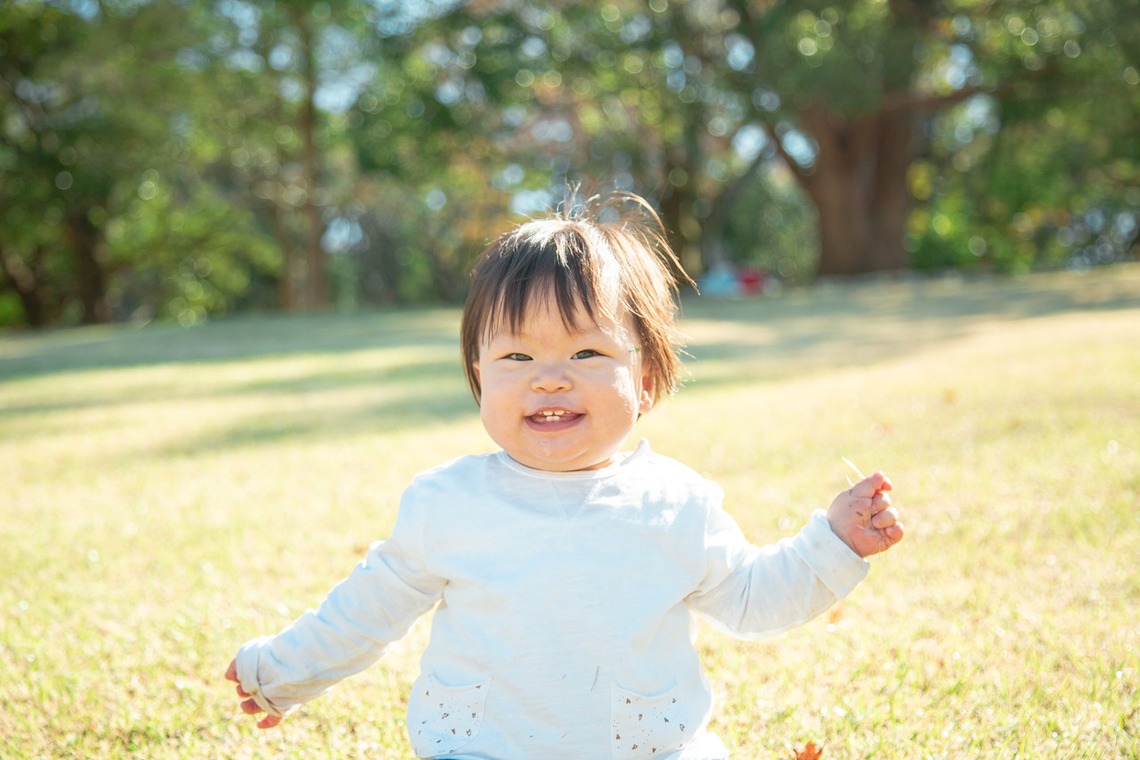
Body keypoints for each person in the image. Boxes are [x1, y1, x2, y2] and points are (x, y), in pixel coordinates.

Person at [224, 192, 905, 759]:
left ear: (643, 381)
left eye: (585, 350)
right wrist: (281, 671)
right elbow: (365, 613)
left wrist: (835, 542)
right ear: (479, 378)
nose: (550, 376)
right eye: (516, 355)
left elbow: (755, 599)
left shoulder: (675, 504)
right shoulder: (447, 504)